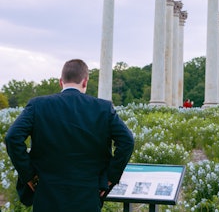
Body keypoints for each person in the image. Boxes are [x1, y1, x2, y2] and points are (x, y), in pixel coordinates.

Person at [5, 59, 134, 212]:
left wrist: (29, 175)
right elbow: (127, 141)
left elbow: (12, 137)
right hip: (88, 194)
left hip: (47, 193)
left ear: (61, 81)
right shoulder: (103, 108)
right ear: (85, 82)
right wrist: (110, 177)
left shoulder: (37, 105)